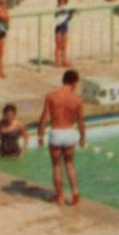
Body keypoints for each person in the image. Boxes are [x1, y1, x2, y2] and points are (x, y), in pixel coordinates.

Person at [38, 70, 87, 205]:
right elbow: (81, 122)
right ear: (74, 83)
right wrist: (83, 137)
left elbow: (44, 117)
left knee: (56, 166)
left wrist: (40, 134)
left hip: (56, 132)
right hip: (70, 133)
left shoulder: (52, 96)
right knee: (70, 164)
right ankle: (75, 192)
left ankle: (60, 197)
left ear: (63, 80)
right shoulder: (77, 100)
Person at [52, 0, 72, 68]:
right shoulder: (57, 8)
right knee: (58, 45)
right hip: (59, 27)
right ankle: (57, 61)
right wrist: (61, 11)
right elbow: (56, 15)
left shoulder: (67, 8)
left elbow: (69, 18)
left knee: (64, 45)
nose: (62, 1)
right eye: (61, 0)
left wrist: (70, 14)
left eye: (63, 0)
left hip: (65, 26)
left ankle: (64, 60)